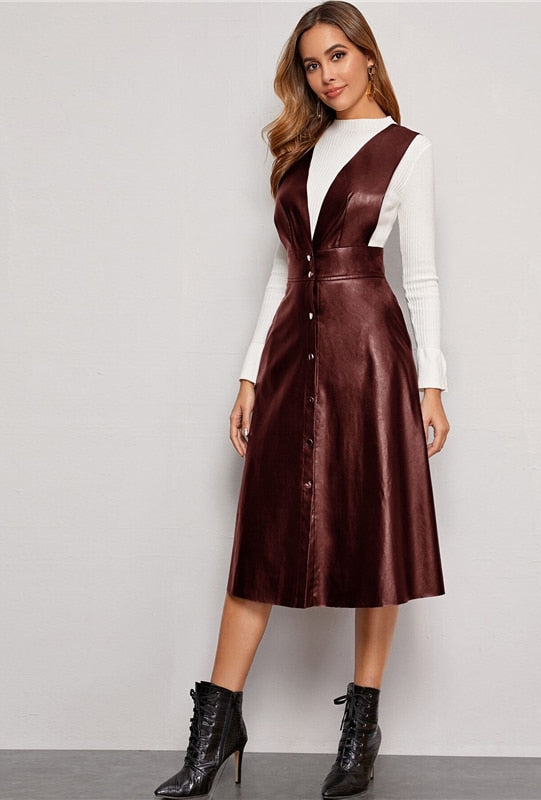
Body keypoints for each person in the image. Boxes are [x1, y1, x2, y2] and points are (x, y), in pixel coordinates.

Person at [154, 2, 450, 797]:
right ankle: (218, 726)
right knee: (263, 534)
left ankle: (360, 732)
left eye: (338, 57)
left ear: (368, 57)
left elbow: (421, 277)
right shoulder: (301, 151)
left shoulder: (407, 150)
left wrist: (432, 383)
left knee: (376, 532)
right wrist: (249, 374)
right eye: (312, 65)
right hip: (292, 354)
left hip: (369, 357)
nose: (326, 76)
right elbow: (283, 272)